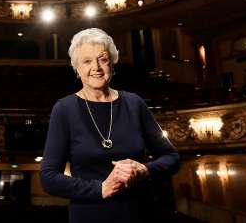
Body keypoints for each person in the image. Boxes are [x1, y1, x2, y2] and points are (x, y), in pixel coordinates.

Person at [40, 28, 180, 223]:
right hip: (89, 216)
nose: (96, 67)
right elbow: (48, 177)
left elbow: (172, 157)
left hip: (139, 213)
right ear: (77, 69)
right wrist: (100, 188)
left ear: (112, 65)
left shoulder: (134, 103)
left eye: (103, 59)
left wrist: (144, 170)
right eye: (87, 61)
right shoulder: (64, 109)